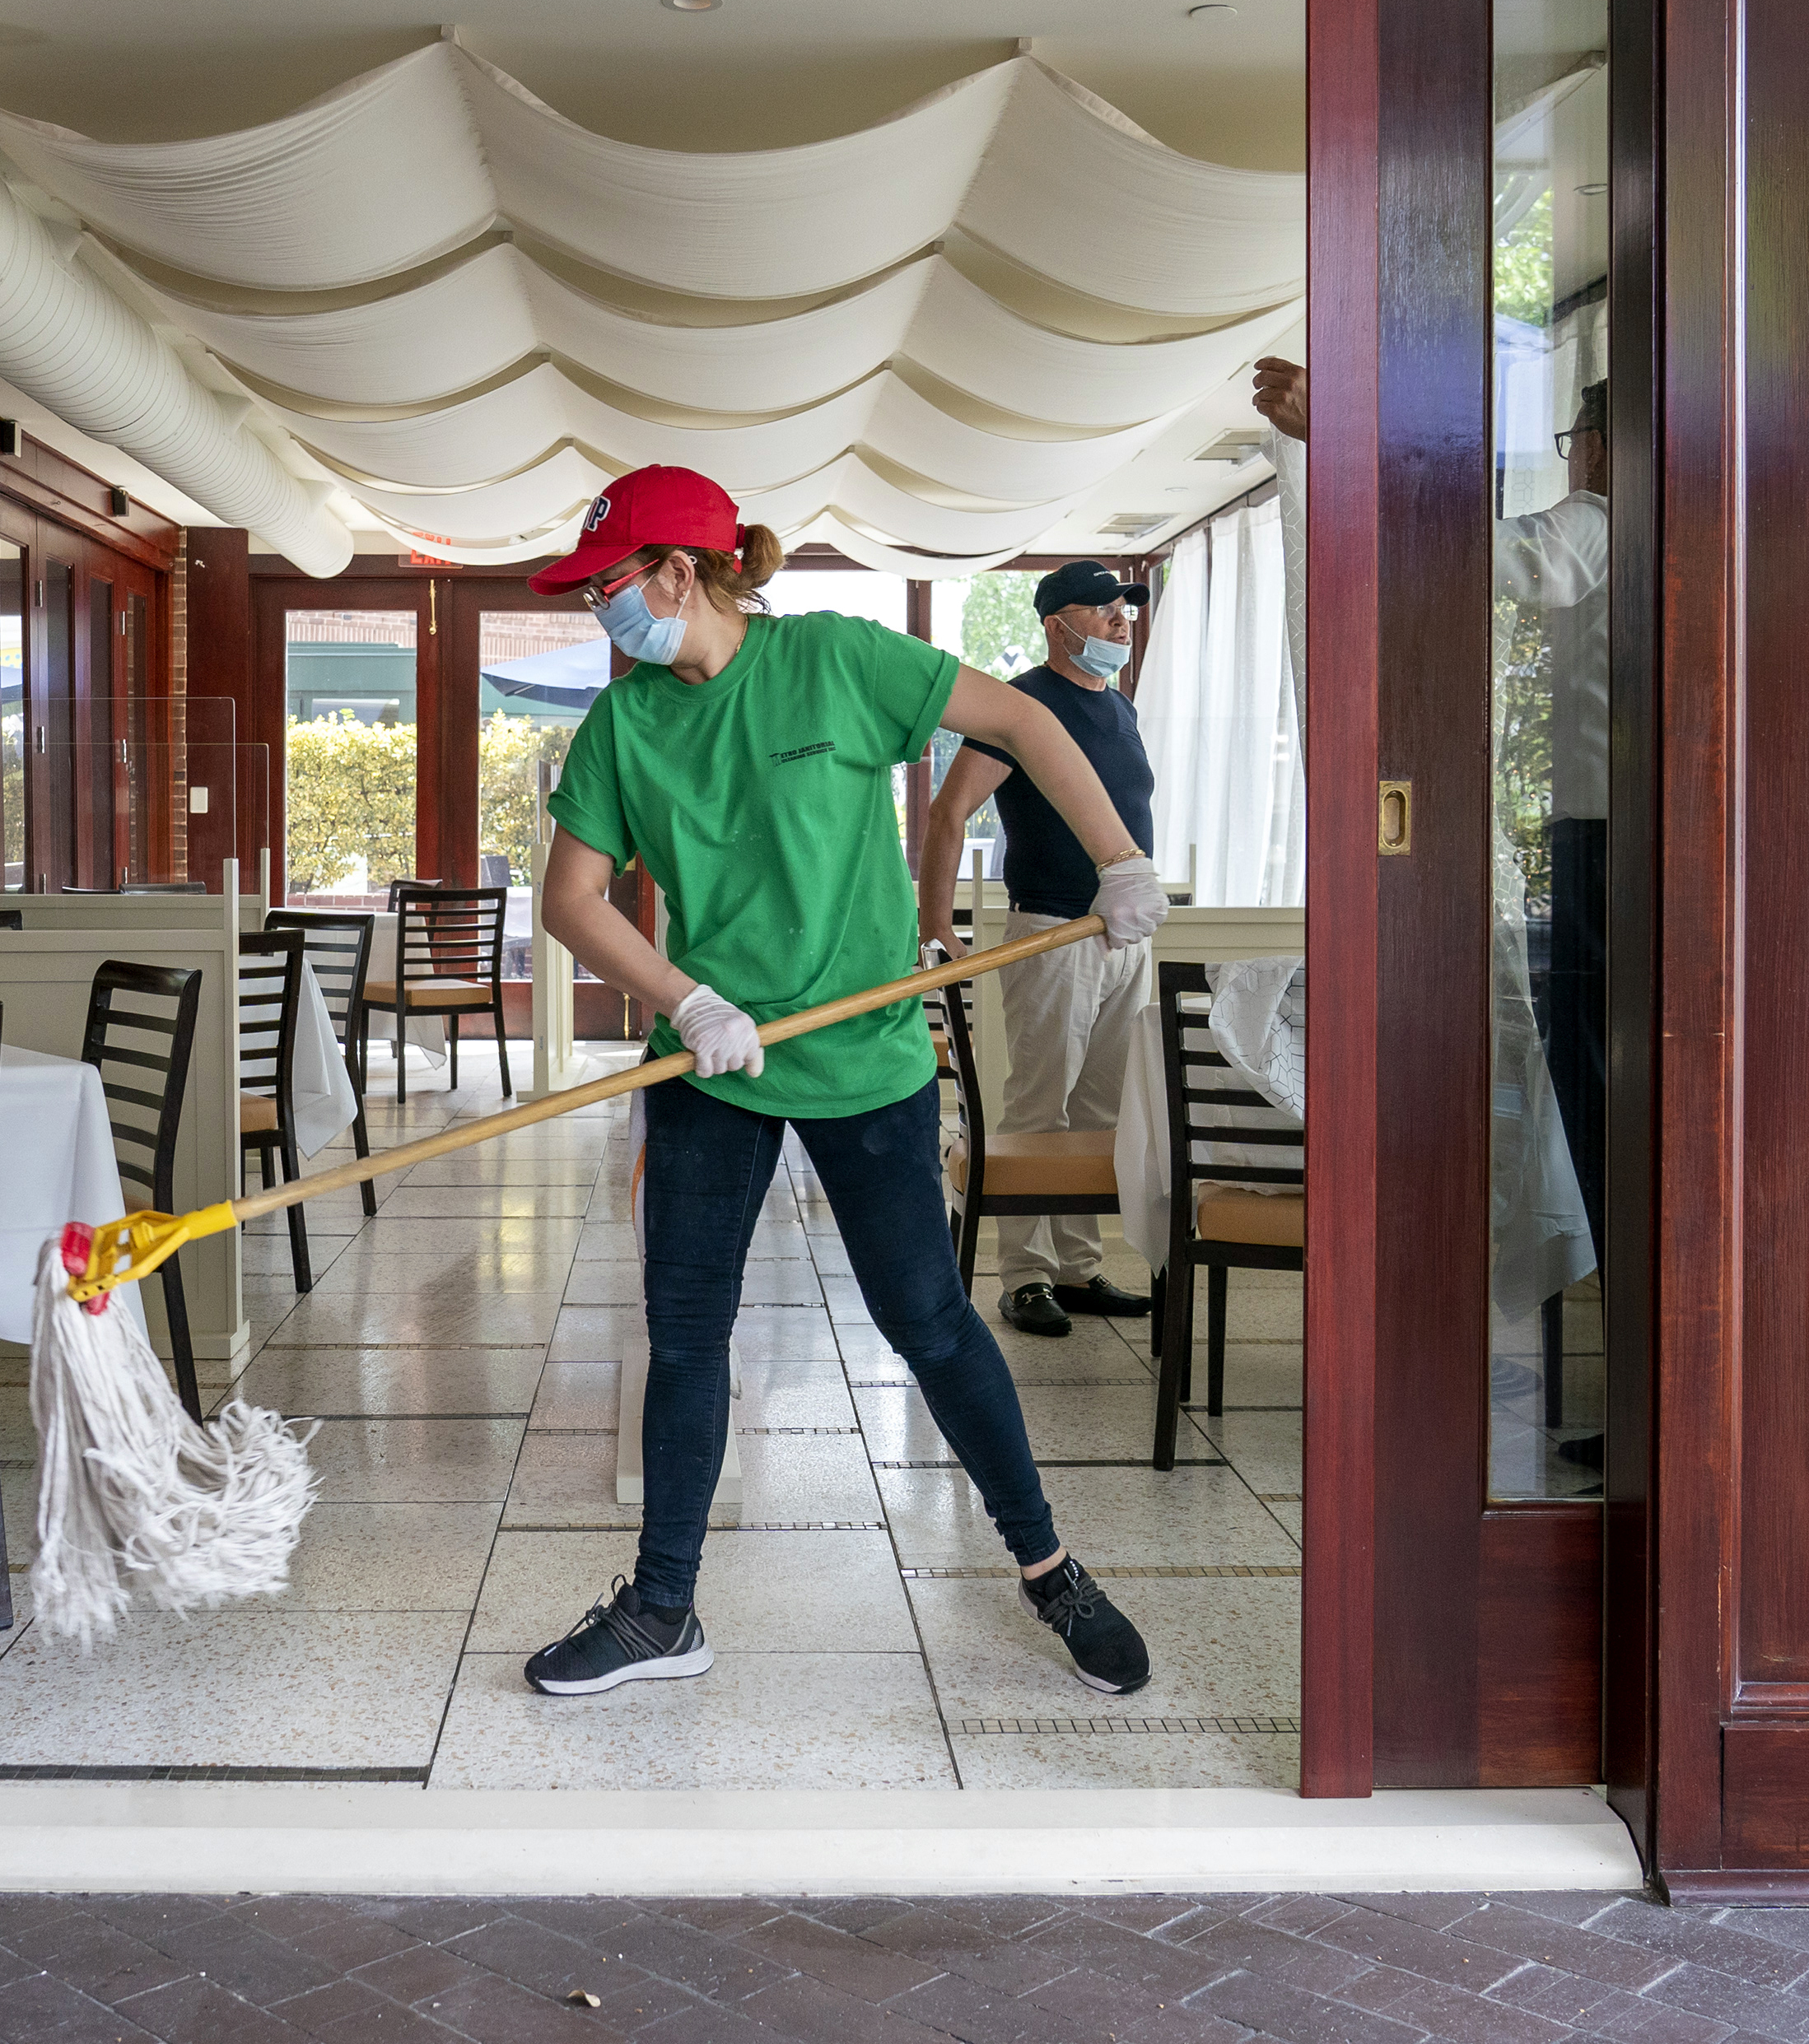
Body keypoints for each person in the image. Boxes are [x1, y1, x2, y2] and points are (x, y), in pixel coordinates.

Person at [520, 464, 1168, 1700]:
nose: (601, 611)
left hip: (866, 1064)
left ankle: (1050, 1566)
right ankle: (664, 1607)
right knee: (688, 1334)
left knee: (927, 1319)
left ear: (675, 572)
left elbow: (1027, 724)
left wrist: (1118, 859)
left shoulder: (840, 659)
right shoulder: (627, 721)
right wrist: (685, 1000)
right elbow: (570, 899)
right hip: (716, 1065)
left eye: (607, 586)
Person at [1252, 355, 1607, 1234]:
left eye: (1569, 442)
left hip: (1608, 832)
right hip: (1593, 827)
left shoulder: (1604, 517)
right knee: (1582, 1055)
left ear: (1595, 447)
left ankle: (1583, 1233)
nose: (1567, 460)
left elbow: (1507, 559)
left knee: (1590, 1057)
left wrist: (1344, 443)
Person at [911, 561, 1163, 1337]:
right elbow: (950, 812)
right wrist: (933, 923)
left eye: (1126, 608)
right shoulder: (1022, 706)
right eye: (1105, 609)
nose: (1122, 620)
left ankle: (1078, 1267)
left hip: (1122, 934)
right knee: (1039, 1102)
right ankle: (1023, 1277)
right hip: (1053, 932)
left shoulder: (1118, 708)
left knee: (1101, 1106)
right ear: (1060, 625)